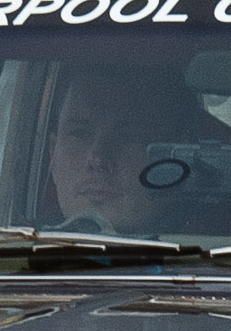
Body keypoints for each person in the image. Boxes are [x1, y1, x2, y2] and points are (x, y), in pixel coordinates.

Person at [46, 62, 221, 231]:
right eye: (79, 134)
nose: (98, 159)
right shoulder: (24, 245)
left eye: (129, 136)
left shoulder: (222, 246)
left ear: (182, 156)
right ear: (53, 154)